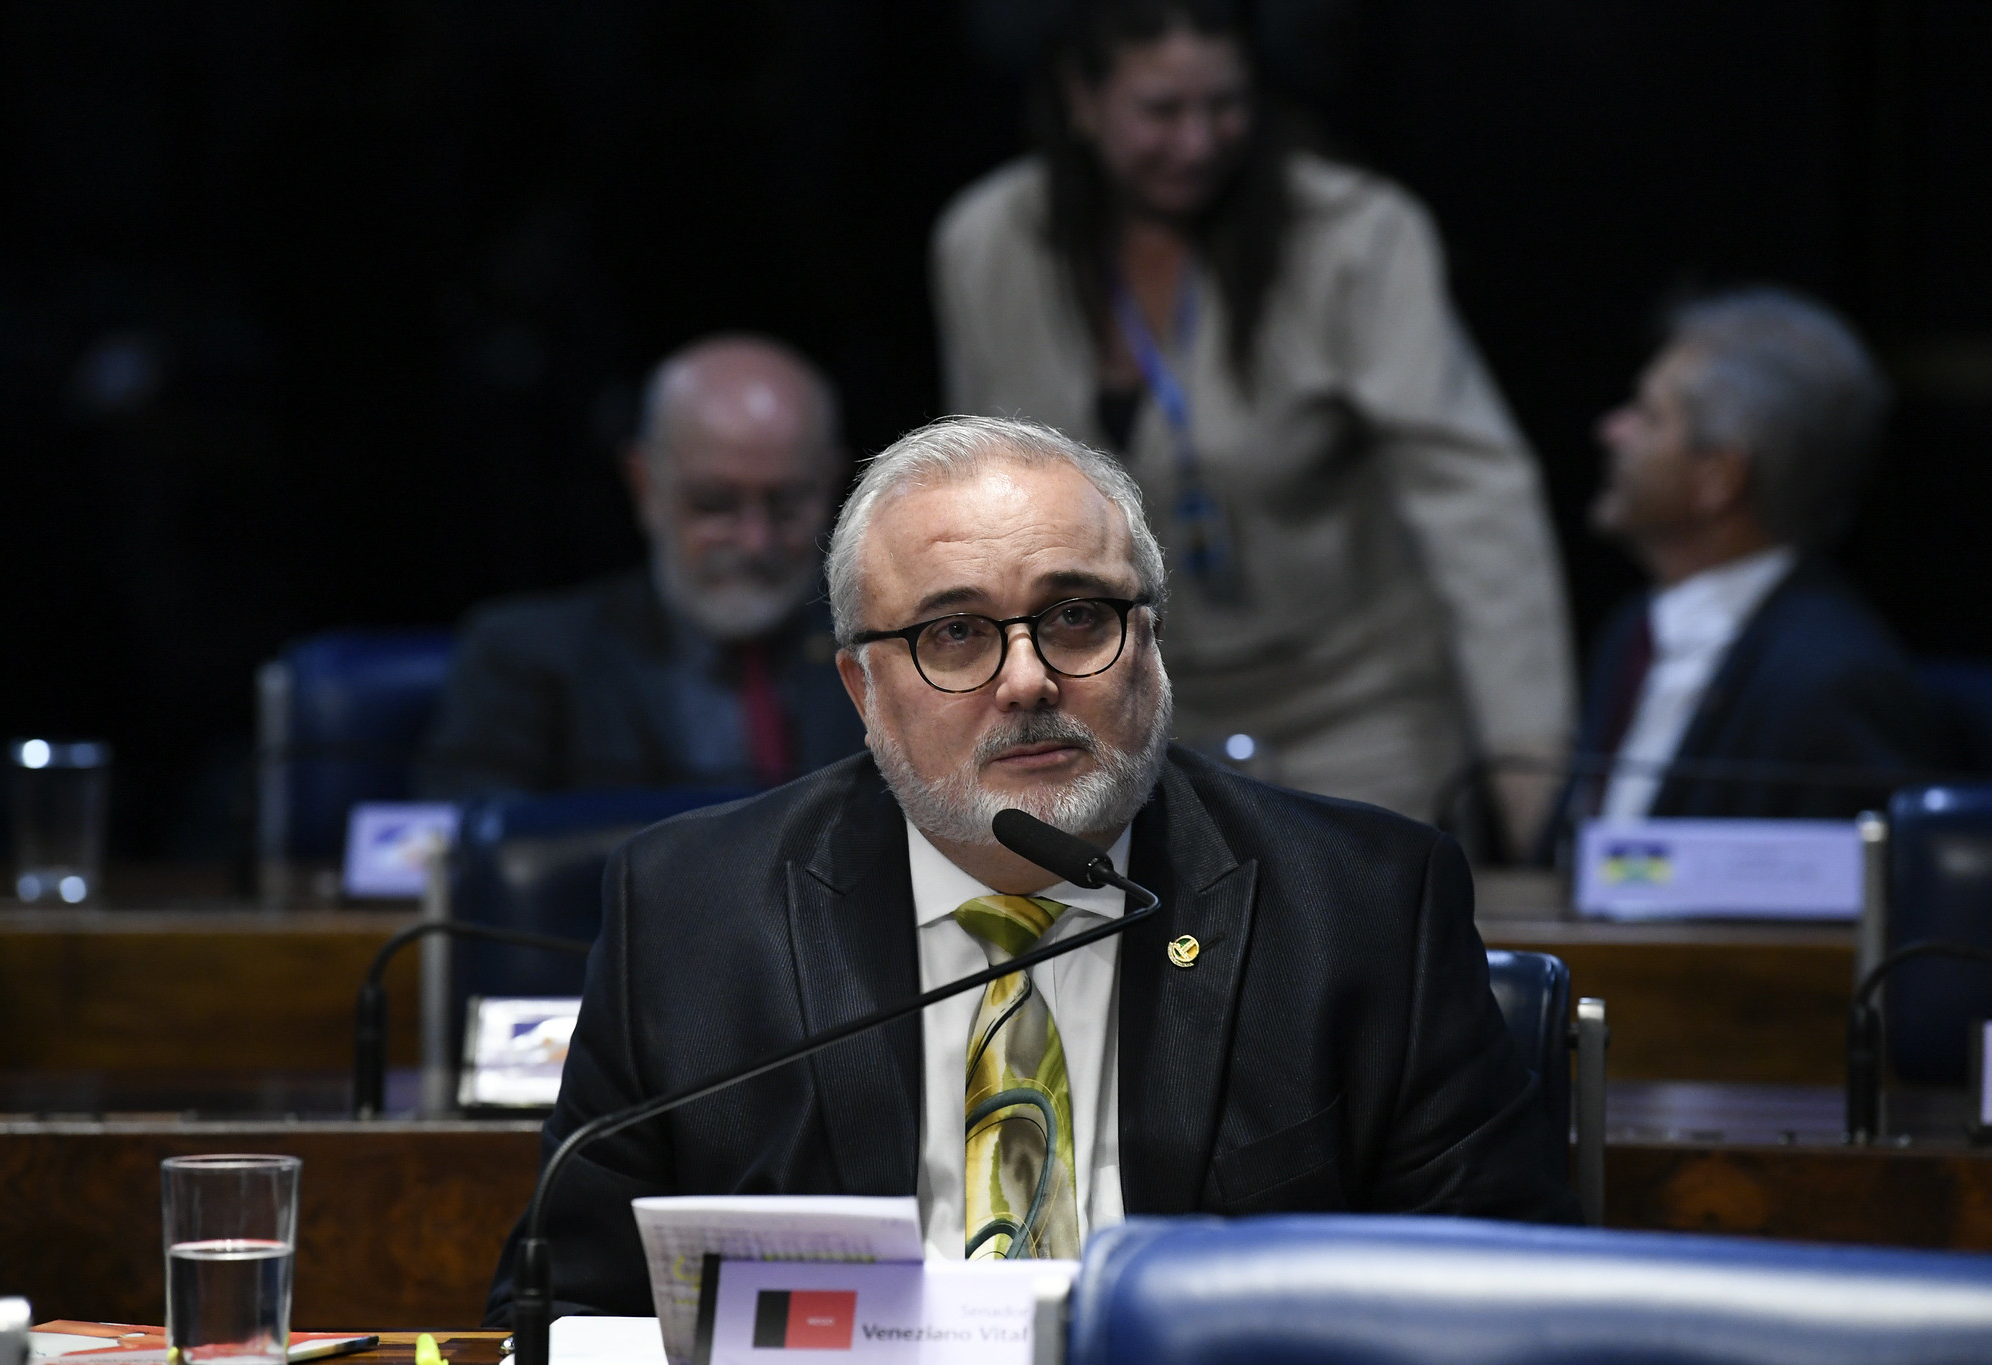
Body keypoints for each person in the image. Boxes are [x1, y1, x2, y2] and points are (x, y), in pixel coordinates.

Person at [483, 415, 1576, 1322]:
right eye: (953, 634)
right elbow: (571, 1315)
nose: (1026, 680)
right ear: (864, 690)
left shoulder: (1365, 906)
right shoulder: (692, 914)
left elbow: (1495, 1313)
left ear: (1146, 643)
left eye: (1074, 616)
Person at [930, 0, 1574, 850]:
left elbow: (1473, 501)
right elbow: (980, 508)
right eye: (1161, 111)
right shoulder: (988, 245)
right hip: (1114, 712)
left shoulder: (1356, 237)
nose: (1197, 142)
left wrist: (1528, 758)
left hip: (1356, 711)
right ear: (1081, 101)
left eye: (1225, 106)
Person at [1551, 288, 1936, 839]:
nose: (1613, 429)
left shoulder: (1834, 682)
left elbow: (1846, 912)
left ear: (1720, 478)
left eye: (1650, 416)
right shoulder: (1630, 633)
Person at [417, 335, 866, 796]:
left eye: (787, 504)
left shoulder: (884, 650)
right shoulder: (524, 660)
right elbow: (458, 854)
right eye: (714, 504)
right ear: (644, 485)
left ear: (831, 485)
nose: (755, 541)